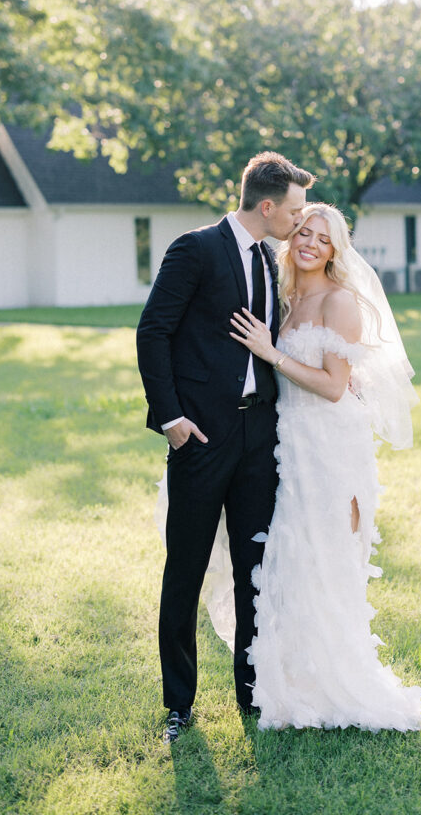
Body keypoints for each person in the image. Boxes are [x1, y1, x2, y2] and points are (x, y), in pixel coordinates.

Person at [136, 152, 314, 744]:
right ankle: (179, 707)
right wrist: (171, 419)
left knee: (254, 569)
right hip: (201, 437)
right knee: (184, 571)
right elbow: (153, 330)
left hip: (258, 438)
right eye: (294, 209)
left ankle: (250, 692)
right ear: (267, 206)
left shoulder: (270, 257)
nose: (299, 219)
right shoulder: (196, 249)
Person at [229, 202, 421, 731]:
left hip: (329, 448)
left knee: (326, 553)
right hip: (290, 442)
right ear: (292, 239)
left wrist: (272, 354)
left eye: (323, 237)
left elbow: (337, 387)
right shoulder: (289, 297)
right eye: (304, 233)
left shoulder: (341, 302)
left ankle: (337, 681)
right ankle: (292, 677)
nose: (310, 243)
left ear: (337, 249)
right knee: (294, 552)